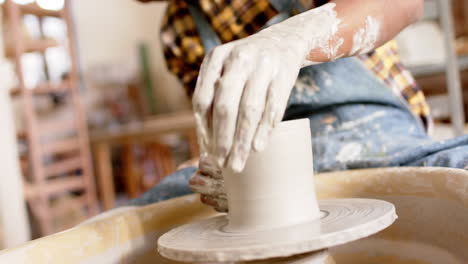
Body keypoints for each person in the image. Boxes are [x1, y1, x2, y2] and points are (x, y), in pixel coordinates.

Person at [131, 0, 468, 212]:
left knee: (458, 170)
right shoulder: (179, 25)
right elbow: (219, 126)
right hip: (269, 167)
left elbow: (404, 4)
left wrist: (293, 38)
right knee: (139, 220)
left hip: (383, 146)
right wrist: (215, 167)